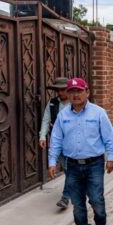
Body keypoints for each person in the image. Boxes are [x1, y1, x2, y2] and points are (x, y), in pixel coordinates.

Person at [48, 78, 113, 225]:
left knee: (96, 198)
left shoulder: (98, 113)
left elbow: (109, 138)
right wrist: (51, 161)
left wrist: (111, 158)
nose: (76, 95)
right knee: (77, 202)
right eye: (72, 92)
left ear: (87, 92)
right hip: (72, 165)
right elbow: (56, 139)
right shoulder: (63, 116)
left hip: (94, 163)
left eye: (79, 91)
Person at [39, 77, 71, 209]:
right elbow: (46, 119)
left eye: (63, 90)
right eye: (58, 90)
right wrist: (42, 136)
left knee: (70, 170)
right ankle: (73, 189)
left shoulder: (75, 103)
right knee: (67, 169)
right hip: (58, 141)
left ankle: (66, 197)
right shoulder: (52, 103)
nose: (60, 93)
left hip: (74, 142)